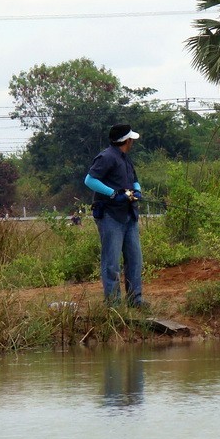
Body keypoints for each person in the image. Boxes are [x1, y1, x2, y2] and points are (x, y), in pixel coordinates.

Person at [84, 123, 145, 308]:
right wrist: (113, 194)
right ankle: (113, 304)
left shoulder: (125, 158)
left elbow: (134, 180)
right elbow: (90, 180)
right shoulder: (106, 157)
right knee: (111, 262)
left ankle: (136, 300)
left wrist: (137, 191)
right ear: (126, 141)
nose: (132, 142)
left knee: (135, 259)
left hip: (129, 215)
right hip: (111, 215)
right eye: (131, 139)